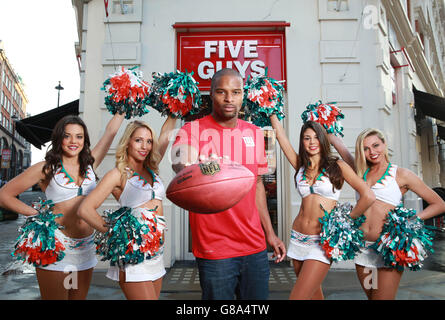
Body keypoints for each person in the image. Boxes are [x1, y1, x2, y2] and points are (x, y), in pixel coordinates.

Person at [171, 68, 285, 300]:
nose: (229, 98)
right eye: (222, 92)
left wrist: (270, 234)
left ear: (243, 95)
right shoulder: (191, 130)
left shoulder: (254, 133)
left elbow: (258, 186)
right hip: (215, 248)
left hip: (254, 246)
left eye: (236, 92)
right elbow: (181, 160)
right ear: (211, 94)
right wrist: (193, 165)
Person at [0, 113, 125, 299]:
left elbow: (110, 132)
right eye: (67, 136)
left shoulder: (89, 163)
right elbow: (4, 195)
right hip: (57, 246)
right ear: (59, 138)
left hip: (85, 247)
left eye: (79, 136)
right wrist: (37, 214)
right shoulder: (47, 168)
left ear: (85, 140)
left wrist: (123, 107)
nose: (73, 141)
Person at [329, 128, 445, 299]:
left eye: (376, 145)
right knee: (372, 296)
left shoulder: (401, 174)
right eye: (366, 149)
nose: (372, 152)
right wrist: (323, 123)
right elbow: (340, 146)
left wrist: (411, 221)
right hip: (363, 249)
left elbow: (440, 204)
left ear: (384, 144)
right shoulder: (360, 171)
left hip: (388, 251)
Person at [269, 114, 375, 300]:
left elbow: (368, 196)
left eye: (316, 137)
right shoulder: (301, 166)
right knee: (313, 296)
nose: (312, 142)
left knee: (298, 297)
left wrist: (346, 221)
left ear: (323, 139)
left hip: (322, 241)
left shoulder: (337, 166)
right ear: (302, 141)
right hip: (298, 237)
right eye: (307, 138)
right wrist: (270, 109)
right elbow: (281, 137)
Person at [78, 115, 176, 300]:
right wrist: (117, 234)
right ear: (128, 142)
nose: (144, 146)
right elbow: (85, 209)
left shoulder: (152, 169)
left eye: (148, 141)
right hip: (133, 256)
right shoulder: (118, 174)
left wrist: (174, 112)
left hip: (156, 253)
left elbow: (165, 135)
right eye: (138, 140)